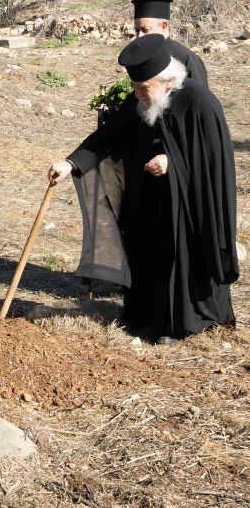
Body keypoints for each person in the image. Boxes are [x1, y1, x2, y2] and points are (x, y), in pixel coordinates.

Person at [48, 35, 238, 344]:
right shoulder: (139, 101)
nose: (138, 94)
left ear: (167, 82)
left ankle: (186, 323)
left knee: (180, 258)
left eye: (144, 88)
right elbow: (107, 137)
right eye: (135, 88)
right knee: (146, 254)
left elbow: (213, 162)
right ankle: (148, 317)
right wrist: (70, 163)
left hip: (189, 206)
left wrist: (172, 163)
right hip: (148, 201)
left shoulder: (199, 101)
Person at [132, 0, 207, 86]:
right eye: (137, 30)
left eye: (145, 30)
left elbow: (198, 96)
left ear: (163, 26)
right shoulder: (139, 56)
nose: (139, 36)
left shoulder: (186, 58)